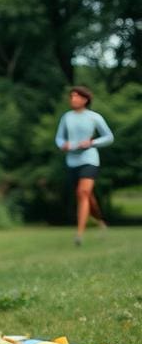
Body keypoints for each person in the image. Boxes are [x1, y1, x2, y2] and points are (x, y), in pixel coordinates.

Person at [55, 85, 114, 246]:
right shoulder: (67, 117)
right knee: (86, 196)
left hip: (89, 159)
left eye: (76, 96)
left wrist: (92, 142)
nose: (73, 99)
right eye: (71, 96)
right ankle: (100, 221)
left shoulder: (94, 117)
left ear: (85, 99)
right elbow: (59, 138)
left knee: (83, 192)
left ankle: (79, 234)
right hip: (72, 161)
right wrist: (63, 145)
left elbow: (109, 137)